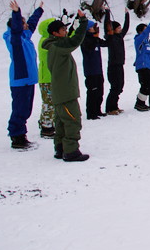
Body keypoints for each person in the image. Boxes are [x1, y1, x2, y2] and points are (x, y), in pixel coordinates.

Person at [42, 11, 90, 162]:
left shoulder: (54, 45)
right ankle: (71, 151)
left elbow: (70, 38)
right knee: (72, 120)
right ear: (55, 33)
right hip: (65, 93)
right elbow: (75, 40)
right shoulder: (58, 46)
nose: (65, 32)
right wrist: (83, 22)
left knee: (62, 122)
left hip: (61, 92)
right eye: (63, 30)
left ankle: (60, 148)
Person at [3, 0, 44, 149]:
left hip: (30, 79)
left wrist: (39, 10)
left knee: (26, 109)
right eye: (23, 23)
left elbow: (32, 24)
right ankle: (16, 137)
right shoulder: (14, 40)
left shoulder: (25, 37)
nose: (26, 25)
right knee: (20, 109)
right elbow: (16, 29)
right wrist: (16, 13)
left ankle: (22, 134)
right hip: (20, 79)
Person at [104, 8, 130, 115]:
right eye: (118, 27)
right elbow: (107, 25)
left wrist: (127, 15)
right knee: (115, 87)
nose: (120, 29)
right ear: (113, 29)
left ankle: (115, 106)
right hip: (113, 66)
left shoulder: (120, 37)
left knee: (120, 86)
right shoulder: (110, 37)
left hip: (120, 65)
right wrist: (107, 13)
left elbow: (126, 27)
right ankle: (110, 108)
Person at [81, 20, 108, 120]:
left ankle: (97, 109)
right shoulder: (85, 39)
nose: (94, 29)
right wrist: (95, 37)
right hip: (90, 70)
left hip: (98, 69)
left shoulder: (95, 38)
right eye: (92, 27)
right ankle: (91, 112)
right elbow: (89, 47)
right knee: (92, 91)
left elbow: (105, 43)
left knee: (100, 90)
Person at [36, 16, 56, 138]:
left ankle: (46, 121)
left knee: (51, 101)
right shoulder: (45, 41)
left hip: (52, 76)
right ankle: (46, 128)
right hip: (46, 78)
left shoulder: (49, 40)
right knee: (49, 102)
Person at [134, 12, 150, 111]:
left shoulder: (147, 43)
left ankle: (141, 102)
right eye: (145, 30)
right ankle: (139, 103)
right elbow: (146, 32)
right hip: (142, 66)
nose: (148, 32)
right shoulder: (139, 39)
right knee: (146, 85)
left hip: (148, 66)